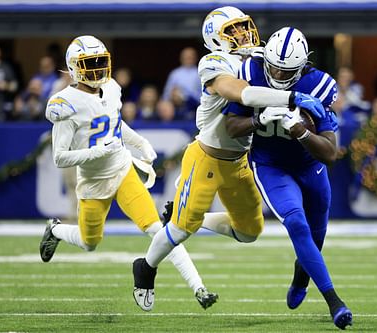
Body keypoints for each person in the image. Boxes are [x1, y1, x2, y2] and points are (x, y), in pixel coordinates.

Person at [132, 6, 327, 312]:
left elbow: (296, 70)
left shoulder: (262, 58)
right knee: (181, 230)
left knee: (249, 232)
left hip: (240, 160)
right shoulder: (214, 62)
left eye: (242, 27)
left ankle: (185, 217)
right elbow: (243, 95)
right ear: (215, 39)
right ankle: (145, 268)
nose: (241, 34)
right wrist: (291, 98)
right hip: (206, 158)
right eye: (231, 31)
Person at [39, 35, 218, 310]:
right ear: (74, 67)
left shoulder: (110, 88)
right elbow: (60, 157)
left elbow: (114, 126)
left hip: (122, 170)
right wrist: (98, 152)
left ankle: (199, 288)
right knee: (90, 243)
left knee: (160, 230)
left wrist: (139, 142)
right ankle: (56, 229)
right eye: (90, 63)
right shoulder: (66, 103)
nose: (98, 68)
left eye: (100, 61)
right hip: (93, 181)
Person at [224, 27, 353, 330]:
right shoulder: (249, 70)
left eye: (287, 73)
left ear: (303, 65)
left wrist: (302, 132)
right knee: (296, 222)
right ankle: (335, 301)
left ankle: (301, 277)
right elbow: (231, 125)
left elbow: (330, 152)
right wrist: (258, 119)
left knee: (316, 234)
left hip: (310, 166)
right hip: (270, 164)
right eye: (275, 70)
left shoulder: (317, 84)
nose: (279, 78)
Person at [161, 47, 201, 120]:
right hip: (175, 105)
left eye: (190, 57)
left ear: (195, 58)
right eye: (186, 57)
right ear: (181, 58)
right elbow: (167, 94)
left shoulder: (200, 73)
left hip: (195, 105)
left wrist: (185, 96)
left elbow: (203, 95)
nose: (188, 59)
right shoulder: (175, 73)